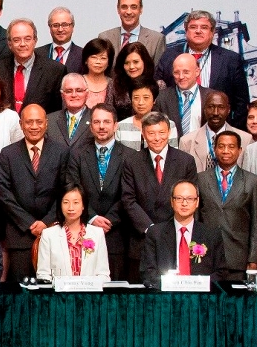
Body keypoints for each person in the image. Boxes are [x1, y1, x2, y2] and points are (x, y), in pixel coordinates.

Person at [0, 104, 70, 281]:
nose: (34, 126)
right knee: (20, 291)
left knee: (52, 290)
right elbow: (3, 192)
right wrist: (28, 223)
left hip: (53, 230)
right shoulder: (8, 154)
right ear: (21, 124)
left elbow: (66, 190)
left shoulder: (62, 152)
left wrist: (46, 222)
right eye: (29, 122)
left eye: (38, 122)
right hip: (19, 233)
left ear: (46, 124)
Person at [122, 112, 199, 283]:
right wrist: (150, 229)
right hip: (141, 238)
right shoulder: (132, 161)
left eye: (162, 132)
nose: (157, 138)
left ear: (169, 132)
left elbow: (191, 199)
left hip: (176, 237)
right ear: (143, 134)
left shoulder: (185, 161)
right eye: (151, 133)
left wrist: (170, 229)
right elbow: (128, 200)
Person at [64, 104, 131, 279]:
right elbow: (72, 187)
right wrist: (92, 217)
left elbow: (129, 194)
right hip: (84, 228)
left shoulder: (130, 156)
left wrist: (110, 219)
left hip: (117, 233)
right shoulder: (77, 154)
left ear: (115, 125)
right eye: (97, 122)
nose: (101, 126)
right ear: (91, 126)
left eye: (106, 122)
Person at [155, 10, 250, 128]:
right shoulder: (169, 57)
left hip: (218, 135)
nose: (198, 31)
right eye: (193, 27)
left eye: (204, 27)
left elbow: (241, 104)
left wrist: (228, 133)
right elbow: (158, 94)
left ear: (212, 32)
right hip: (176, 132)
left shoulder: (230, 60)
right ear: (186, 31)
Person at [196, 131, 257, 281]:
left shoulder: (253, 181)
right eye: (221, 146)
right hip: (206, 256)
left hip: (238, 259)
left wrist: (253, 260)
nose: (226, 151)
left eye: (231, 147)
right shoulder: (200, 179)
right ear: (215, 149)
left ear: (240, 150)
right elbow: (196, 218)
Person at [140, 181, 222, 287]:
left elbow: (220, 272)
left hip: (201, 297)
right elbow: (148, 271)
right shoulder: (155, 233)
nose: (184, 203)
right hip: (165, 296)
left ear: (197, 202)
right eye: (179, 198)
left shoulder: (212, 234)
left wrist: (197, 285)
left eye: (190, 199)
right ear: (172, 201)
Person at [0, 18, 64, 114]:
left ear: (35, 40)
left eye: (27, 39)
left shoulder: (54, 71)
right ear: (9, 44)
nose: (22, 44)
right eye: (16, 40)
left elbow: (57, 113)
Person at [35, 187, 109, 281]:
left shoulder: (97, 234)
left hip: (90, 294)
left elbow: (104, 274)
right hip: (59, 294)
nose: (71, 208)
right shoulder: (48, 235)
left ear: (83, 206)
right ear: (60, 205)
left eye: (76, 202)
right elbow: (43, 275)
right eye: (66, 202)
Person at [178, 91, 251, 173]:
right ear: (204, 109)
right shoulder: (187, 141)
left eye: (221, 107)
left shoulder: (246, 140)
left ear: (228, 110)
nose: (215, 112)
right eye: (211, 107)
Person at [97, 0, 166, 64]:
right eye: (124, 7)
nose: (128, 12)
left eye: (133, 7)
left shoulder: (156, 40)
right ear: (118, 9)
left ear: (141, 9)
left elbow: (158, 73)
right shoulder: (105, 37)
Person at [156, 53, 211, 138]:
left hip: (202, 149)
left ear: (197, 72)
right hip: (173, 149)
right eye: (176, 72)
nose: (181, 77)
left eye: (186, 72)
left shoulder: (210, 96)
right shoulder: (162, 98)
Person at [115, 80, 179, 152]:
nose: (141, 102)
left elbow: (173, 155)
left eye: (146, 98)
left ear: (154, 100)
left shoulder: (169, 125)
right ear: (131, 100)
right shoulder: (121, 126)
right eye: (136, 98)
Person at [109, 42, 156, 121]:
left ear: (145, 61)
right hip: (121, 130)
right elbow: (108, 113)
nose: (131, 67)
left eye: (136, 62)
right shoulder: (114, 85)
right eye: (127, 63)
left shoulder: (158, 85)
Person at [44, 73, 92, 151]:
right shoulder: (49, 120)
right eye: (69, 91)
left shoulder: (96, 119)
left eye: (79, 90)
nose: (74, 95)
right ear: (62, 95)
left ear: (87, 94)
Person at [38, 7, 86, 74]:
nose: (60, 29)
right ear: (50, 28)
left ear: (72, 27)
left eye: (65, 25)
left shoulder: (84, 55)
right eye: (55, 25)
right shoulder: (37, 54)